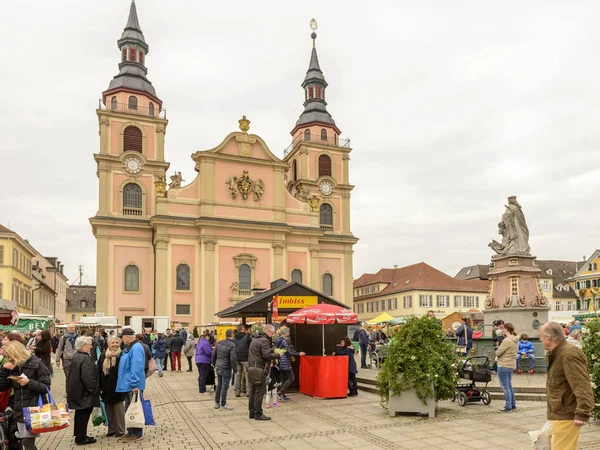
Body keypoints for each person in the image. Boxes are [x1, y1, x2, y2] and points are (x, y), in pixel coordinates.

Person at [540, 321, 594, 449]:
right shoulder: (559, 352)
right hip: (560, 412)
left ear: (548, 338)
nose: (540, 339)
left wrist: (582, 412)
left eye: (541, 336)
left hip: (566, 414)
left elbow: (582, 384)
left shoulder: (568, 354)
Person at [0, 340, 50, 450]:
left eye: (10, 357)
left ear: (17, 354)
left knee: (27, 441)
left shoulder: (37, 364)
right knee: (24, 441)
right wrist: (4, 371)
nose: (9, 360)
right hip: (19, 410)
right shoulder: (14, 367)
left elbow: (45, 387)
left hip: (33, 409)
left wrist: (29, 383)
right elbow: (2, 387)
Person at [67, 336, 100, 446]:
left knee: (80, 414)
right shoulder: (85, 358)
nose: (91, 347)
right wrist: (93, 389)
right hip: (84, 393)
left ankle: (80, 435)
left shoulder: (77, 356)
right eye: (89, 345)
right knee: (83, 414)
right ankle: (81, 438)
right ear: (83, 346)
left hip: (78, 391)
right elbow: (88, 377)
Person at [115, 328, 146, 442]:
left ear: (127, 337)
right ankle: (131, 431)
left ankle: (137, 433)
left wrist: (134, 384)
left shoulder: (136, 348)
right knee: (129, 408)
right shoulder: (130, 347)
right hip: (128, 383)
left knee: (135, 408)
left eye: (122, 338)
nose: (121, 340)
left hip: (132, 384)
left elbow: (136, 367)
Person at [248, 324, 281, 421]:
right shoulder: (264, 341)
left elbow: (261, 351)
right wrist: (278, 355)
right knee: (259, 391)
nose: (272, 335)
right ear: (268, 331)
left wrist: (272, 350)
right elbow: (267, 355)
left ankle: (252, 412)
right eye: (272, 333)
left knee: (253, 391)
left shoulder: (256, 339)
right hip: (259, 369)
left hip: (252, 367)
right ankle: (258, 414)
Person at [98, 335, 126, 438]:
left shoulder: (122, 355)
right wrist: (99, 386)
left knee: (118, 410)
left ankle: (120, 430)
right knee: (109, 409)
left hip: (119, 386)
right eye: (112, 343)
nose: (114, 344)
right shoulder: (103, 355)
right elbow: (99, 371)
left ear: (119, 344)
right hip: (106, 386)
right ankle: (111, 429)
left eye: (116, 343)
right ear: (108, 344)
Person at [274, 327, 305, 401]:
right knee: (291, 378)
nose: (289, 333)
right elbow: (288, 352)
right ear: (285, 333)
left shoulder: (278, 340)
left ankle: (282, 393)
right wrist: (298, 354)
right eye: (288, 332)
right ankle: (280, 392)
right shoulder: (284, 341)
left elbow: (284, 351)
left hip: (280, 361)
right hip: (285, 362)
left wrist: (291, 356)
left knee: (284, 378)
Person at [495, 322, 518, 413]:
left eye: (503, 329)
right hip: (511, 364)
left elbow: (498, 352)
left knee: (505, 387)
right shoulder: (515, 340)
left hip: (503, 364)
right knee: (509, 385)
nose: (502, 330)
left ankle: (508, 406)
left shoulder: (506, 340)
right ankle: (513, 404)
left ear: (506, 330)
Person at [211, 329, 237, 410]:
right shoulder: (232, 345)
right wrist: (235, 370)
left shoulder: (219, 343)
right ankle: (223, 404)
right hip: (226, 367)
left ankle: (216, 403)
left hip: (218, 366)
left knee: (219, 385)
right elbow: (233, 359)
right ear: (232, 335)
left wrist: (213, 363)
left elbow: (214, 354)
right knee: (224, 386)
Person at [55, 323, 79, 388]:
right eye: (70, 328)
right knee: (68, 376)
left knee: (77, 376)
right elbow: (59, 348)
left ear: (75, 328)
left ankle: (76, 391)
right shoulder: (63, 338)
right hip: (67, 360)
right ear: (67, 329)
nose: (72, 329)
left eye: (73, 327)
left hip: (77, 359)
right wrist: (57, 360)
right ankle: (68, 392)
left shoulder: (78, 337)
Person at [233, 324, 252, 397]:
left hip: (237, 359)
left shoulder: (234, 338)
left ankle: (237, 392)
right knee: (247, 375)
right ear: (243, 329)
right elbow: (251, 348)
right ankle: (248, 392)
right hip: (245, 359)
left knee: (238, 376)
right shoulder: (247, 337)